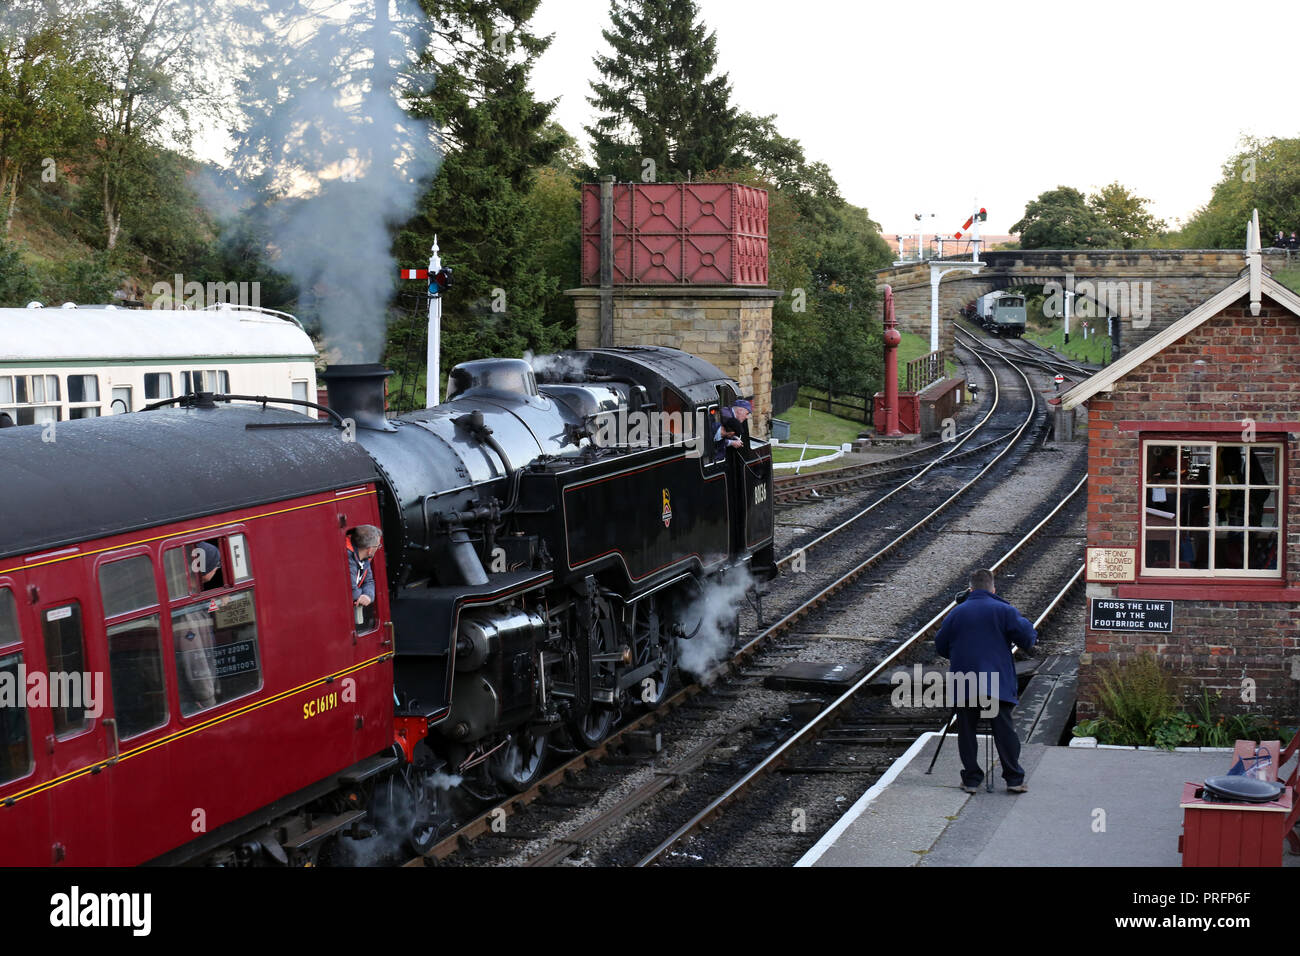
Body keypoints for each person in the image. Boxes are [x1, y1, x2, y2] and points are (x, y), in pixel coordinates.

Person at [934, 569, 1037, 794]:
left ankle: (971, 780)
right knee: (1004, 729)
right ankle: (1014, 779)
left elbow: (940, 645)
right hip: (997, 681)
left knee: (967, 730)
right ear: (993, 589)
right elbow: (1028, 639)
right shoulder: (1004, 610)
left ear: (970, 589)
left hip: (965, 680)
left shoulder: (956, 613)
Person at [347, 525, 381, 611]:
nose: (378, 548)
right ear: (369, 550)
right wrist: (360, 597)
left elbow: (369, 581)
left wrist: (367, 595)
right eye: (378, 546)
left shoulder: (365, 558)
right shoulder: (347, 558)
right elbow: (350, 590)